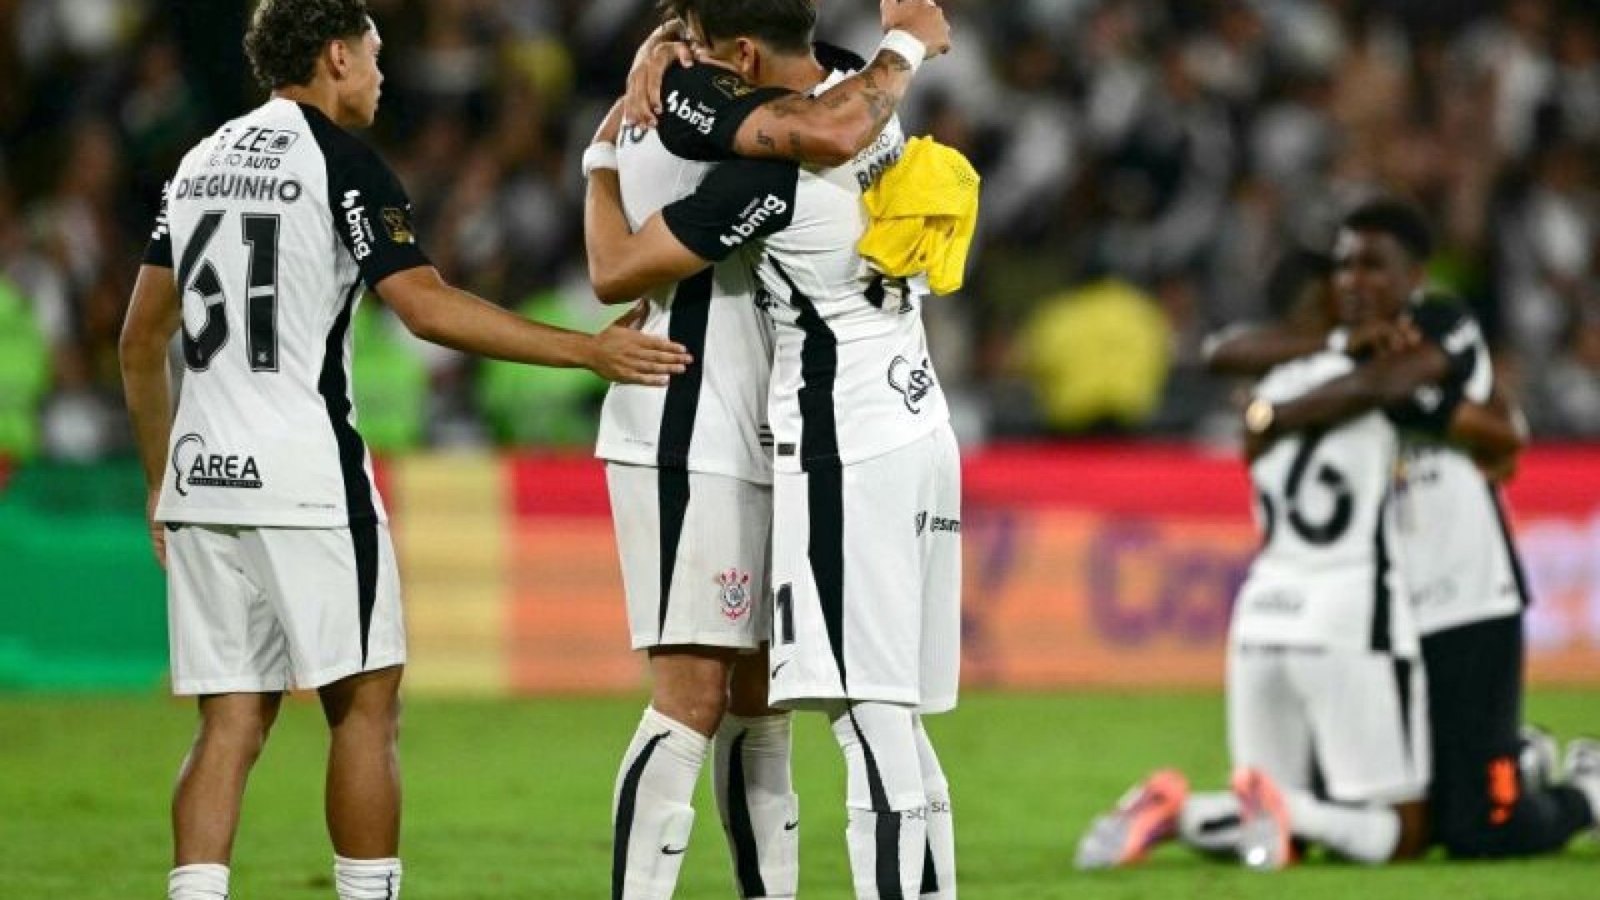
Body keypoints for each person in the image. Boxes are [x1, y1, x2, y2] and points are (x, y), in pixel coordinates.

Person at [118, 3, 691, 899]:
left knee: (227, 721)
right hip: (306, 481)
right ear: (336, 56)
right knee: (367, 704)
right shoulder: (346, 165)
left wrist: (162, 483)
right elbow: (425, 307)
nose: (385, 78)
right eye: (377, 58)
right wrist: (586, 349)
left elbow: (137, 338)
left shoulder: (197, 164)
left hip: (203, 482)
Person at [584, 2, 965, 896]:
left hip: (837, 444)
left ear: (738, 56)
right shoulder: (865, 96)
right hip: (906, 421)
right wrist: (664, 53)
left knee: (862, 718)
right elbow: (833, 103)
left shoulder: (770, 165)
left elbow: (613, 271)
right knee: (849, 714)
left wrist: (602, 153)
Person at [1199, 200, 1600, 859]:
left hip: (1467, 598)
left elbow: (1414, 392)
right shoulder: (1339, 353)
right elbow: (1221, 352)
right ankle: (1518, 760)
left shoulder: (1439, 324)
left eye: (1374, 266)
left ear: (1415, 277)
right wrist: (1335, 352)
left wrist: (1274, 415)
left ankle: (1584, 790)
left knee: (1480, 829)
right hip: (1383, 610)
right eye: (1345, 265)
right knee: (1385, 803)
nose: (1355, 280)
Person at [1080, 241, 1433, 871]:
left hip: (1264, 611)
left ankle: (1175, 811)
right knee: (1397, 831)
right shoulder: (1371, 379)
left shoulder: (1265, 391)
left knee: (1259, 814)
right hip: (1347, 608)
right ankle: (1282, 812)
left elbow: (1231, 375)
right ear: (1333, 300)